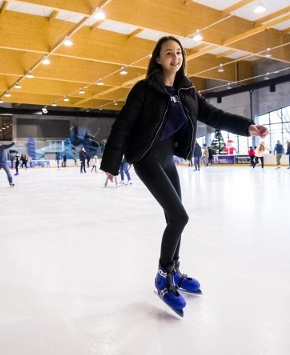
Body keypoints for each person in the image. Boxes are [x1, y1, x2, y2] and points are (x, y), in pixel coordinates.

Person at [100, 35, 268, 317]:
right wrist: (112, 162)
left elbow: (214, 115)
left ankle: (174, 272)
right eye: (168, 53)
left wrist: (248, 126)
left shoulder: (187, 90)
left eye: (178, 53)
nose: (175, 57)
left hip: (167, 159)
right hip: (146, 158)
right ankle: (162, 277)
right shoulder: (144, 89)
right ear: (157, 58)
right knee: (179, 217)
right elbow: (124, 125)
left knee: (174, 217)